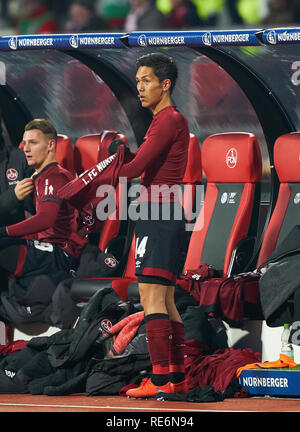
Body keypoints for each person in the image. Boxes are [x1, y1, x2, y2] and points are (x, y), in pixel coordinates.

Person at [112, 53, 190, 398]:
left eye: (146, 80)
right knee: (167, 299)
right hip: (160, 213)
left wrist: (115, 158)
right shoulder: (165, 121)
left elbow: (133, 168)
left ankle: (158, 382)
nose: (140, 87)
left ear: (165, 84)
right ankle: (177, 379)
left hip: (159, 215)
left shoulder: (168, 120)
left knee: (151, 296)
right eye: (138, 80)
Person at [0, 119, 87, 297]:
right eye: (25, 143)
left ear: (50, 145)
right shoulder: (39, 178)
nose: (26, 149)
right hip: (45, 248)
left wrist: (4, 231)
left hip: (60, 253)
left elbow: (44, 219)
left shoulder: (54, 177)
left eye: (33, 143)